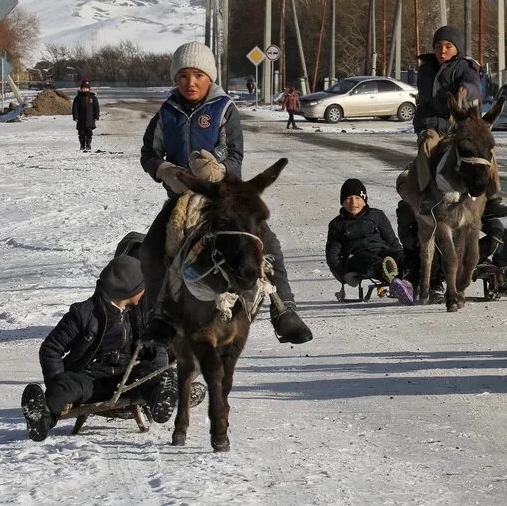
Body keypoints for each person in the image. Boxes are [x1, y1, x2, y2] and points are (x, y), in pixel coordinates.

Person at [139, 40, 312, 345]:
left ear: (210, 77)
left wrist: (217, 173)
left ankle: (284, 311)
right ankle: (159, 316)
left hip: (227, 200)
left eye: (197, 75)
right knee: (151, 250)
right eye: (182, 76)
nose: (190, 83)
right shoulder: (167, 112)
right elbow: (149, 154)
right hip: (181, 200)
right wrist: (165, 172)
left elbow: (235, 154)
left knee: (268, 244)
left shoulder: (224, 109)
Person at [21, 255, 178, 442]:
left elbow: (157, 346)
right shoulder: (84, 314)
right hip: (90, 379)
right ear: (128, 289)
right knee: (65, 387)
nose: (146, 292)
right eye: (142, 287)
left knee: (150, 376)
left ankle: (162, 396)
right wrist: (55, 381)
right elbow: (51, 348)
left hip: (129, 379)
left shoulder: (142, 313)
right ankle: (42, 419)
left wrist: (157, 371)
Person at [408, 25, 507, 219]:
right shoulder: (425, 70)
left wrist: (464, 90)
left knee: (485, 144)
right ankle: (427, 193)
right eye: (438, 46)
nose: (443, 50)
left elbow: (472, 84)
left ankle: (493, 196)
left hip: (460, 124)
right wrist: (423, 124)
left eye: (449, 46)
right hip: (434, 124)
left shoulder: (466, 66)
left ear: (458, 48)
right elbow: (424, 101)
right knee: (427, 144)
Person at [326, 178, 415, 304]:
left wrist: (400, 256)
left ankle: (408, 283)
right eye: (348, 198)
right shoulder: (337, 225)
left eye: (357, 198)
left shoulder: (377, 215)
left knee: (402, 257)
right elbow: (332, 256)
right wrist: (342, 276)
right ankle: (390, 277)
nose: (353, 202)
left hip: (382, 251)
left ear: (364, 199)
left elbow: (392, 241)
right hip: (357, 256)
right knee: (367, 259)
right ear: (342, 202)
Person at [71, 78, 100, 151]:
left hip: (90, 119)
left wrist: (96, 116)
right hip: (81, 119)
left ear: (89, 89)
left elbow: (96, 108)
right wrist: (75, 117)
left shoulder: (93, 98)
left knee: (89, 132)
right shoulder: (78, 98)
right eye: (83, 88)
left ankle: (88, 145)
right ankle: (82, 145)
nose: (85, 90)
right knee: (81, 133)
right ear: (81, 89)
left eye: (86, 89)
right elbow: (74, 108)